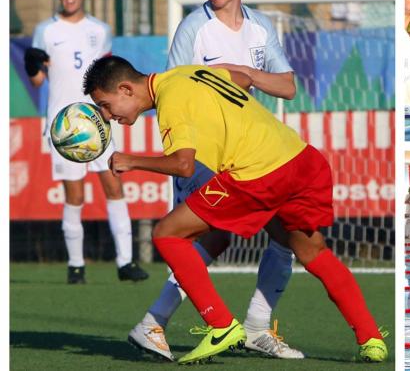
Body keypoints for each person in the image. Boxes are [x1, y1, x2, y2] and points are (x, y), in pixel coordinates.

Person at [83, 56, 387, 364]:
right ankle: (371, 337)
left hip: (258, 172)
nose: (108, 116)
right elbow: (241, 79)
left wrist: (131, 161)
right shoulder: (187, 74)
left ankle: (221, 326)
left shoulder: (170, 98)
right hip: (301, 159)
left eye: (106, 105)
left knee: (168, 234)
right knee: (312, 251)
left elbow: (183, 165)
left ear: (125, 89)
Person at [127, 0, 303, 361]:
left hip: (251, 157)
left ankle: (257, 327)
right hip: (204, 158)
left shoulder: (262, 26)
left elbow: (289, 86)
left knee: (287, 231)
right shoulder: (193, 28)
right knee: (204, 239)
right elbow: (171, 92)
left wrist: (245, 73)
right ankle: (154, 323)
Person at [24, 0, 148, 285]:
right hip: (64, 127)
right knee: (74, 195)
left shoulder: (101, 29)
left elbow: (107, 76)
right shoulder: (46, 31)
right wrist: (31, 65)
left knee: (114, 186)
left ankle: (126, 262)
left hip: (98, 121)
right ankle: (76, 266)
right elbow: (38, 80)